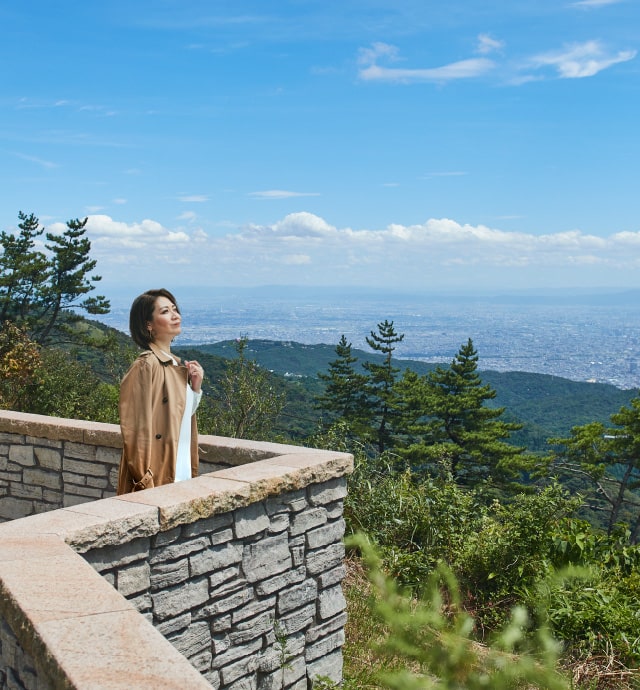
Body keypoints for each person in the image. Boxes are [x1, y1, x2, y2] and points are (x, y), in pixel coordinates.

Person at [117, 288, 205, 494]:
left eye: (175, 309)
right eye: (165, 311)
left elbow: (178, 415)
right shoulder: (147, 365)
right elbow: (134, 427)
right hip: (157, 477)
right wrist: (144, 478)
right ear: (148, 324)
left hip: (180, 470)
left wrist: (195, 387)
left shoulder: (173, 363)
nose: (176, 316)